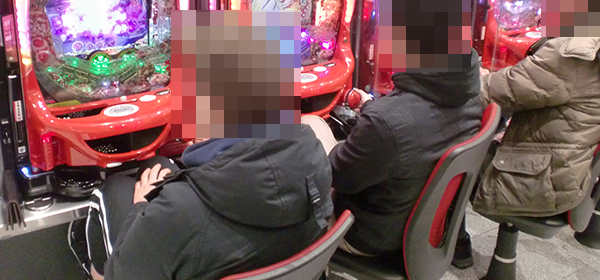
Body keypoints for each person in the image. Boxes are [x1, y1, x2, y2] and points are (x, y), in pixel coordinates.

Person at [69, 130, 333, 280]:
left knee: (112, 189)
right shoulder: (313, 151)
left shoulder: (176, 210)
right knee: (159, 165)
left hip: (179, 236)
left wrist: (140, 206)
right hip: (275, 259)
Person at [303, 46, 483, 260]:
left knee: (310, 126)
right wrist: (372, 110)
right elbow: (410, 124)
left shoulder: (385, 122)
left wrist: (365, 126)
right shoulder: (470, 99)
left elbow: (338, 178)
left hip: (368, 234)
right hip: (421, 228)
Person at [473, 37, 600, 217]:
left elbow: (489, 93)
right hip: (566, 174)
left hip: (540, 183)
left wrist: (471, 77)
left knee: (445, 145)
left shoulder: (572, 54)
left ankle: (450, 231)